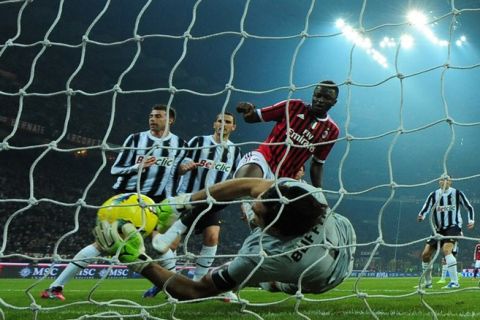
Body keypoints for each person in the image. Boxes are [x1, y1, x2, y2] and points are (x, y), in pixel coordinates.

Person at [94, 177, 357, 301]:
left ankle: (256, 285)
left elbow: (194, 290)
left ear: (274, 231)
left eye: (257, 213)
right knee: (253, 176)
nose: (253, 204)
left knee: (271, 285)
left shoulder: (260, 257)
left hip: (325, 278)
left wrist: (140, 262)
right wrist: (183, 203)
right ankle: (183, 219)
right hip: (346, 234)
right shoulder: (301, 195)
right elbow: (248, 185)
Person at [40, 104, 187, 300]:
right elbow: (115, 169)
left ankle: (170, 289)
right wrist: (137, 166)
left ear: (170, 120)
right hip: (128, 199)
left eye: (158, 116)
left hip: (156, 202)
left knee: (164, 244)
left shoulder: (181, 144)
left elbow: (174, 176)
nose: (152, 119)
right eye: (151, 115)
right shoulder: (136, 139)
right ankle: (55, 287)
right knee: (103, 243)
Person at [143, 112, 242, 297]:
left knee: (212, 237)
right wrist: (183, 169)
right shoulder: (198, 141)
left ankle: (198, 281)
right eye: (219, 120)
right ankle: (168, 281)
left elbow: (237, 178)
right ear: (214, 123)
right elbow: (179, 166)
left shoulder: (235, 151)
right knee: (170, 245)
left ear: (233, 127)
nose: (223, 124)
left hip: (212, 202)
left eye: (227, 122)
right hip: (188, 199)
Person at [235, 80, 339, 188]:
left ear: (334, 102)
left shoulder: (332, 131)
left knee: (259, 203)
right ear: (313, 95)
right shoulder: (293, 106)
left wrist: (319, 191)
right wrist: (248, 110)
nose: (320, 100)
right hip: (264, 158)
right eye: (318, 95)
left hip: (285, 178)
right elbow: (254, 117)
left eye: (326, 98)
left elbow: (317, 164)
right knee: (241, 187)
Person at [417, 174, 475, 289]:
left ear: (450, 182)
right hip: (438, 229)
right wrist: (421, 216)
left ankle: (454, 282)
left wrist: (471, 220)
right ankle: (428, 282)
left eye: (446, 179)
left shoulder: (457, 193)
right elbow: (425, 208)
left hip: (453, 227)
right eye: (441, 179)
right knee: (425, 254)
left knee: (447, 250)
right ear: (438, 182)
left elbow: (469, 207)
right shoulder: (433, 195)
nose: (443, 181)